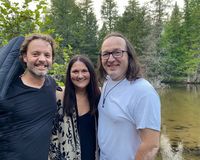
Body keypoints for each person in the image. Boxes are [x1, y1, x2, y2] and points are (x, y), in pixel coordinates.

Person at [97, 32, 161, 160]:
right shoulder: (108, 81)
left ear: (129, 55)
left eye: (117, 52)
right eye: (106, 54)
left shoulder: (143, 92)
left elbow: (151, 146)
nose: (110, 59)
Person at [0, 33, 57, 160]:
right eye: (35, 54)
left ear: (52, 59)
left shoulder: (51, 84)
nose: (42, 59)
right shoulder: (7, 90)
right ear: (25, 57)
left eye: (47, 55)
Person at [49, 55, 101, 160]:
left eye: (84, 71)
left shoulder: (99, 97)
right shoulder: (59, 97)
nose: (80, 76)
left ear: (91, 73)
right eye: (75, 71)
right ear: (69, 74)